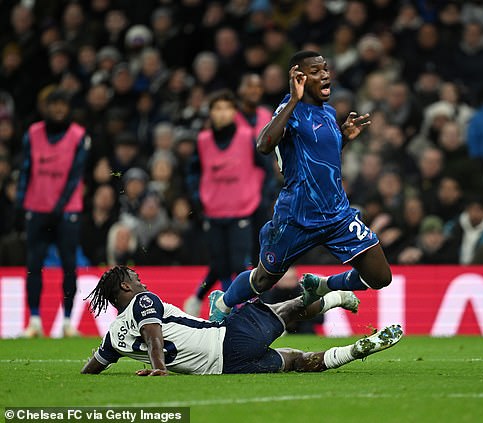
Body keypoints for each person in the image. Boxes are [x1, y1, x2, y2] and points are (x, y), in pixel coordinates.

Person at [208, 51, 392, 323]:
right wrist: (294, 99)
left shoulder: (328, 112)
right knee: (263, 279)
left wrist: (344, 138)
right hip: (297, 216)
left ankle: (322, 286)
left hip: (336, 213)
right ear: (299, 77)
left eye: (326, 69)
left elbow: (318, 156)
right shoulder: (288, 110)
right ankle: (222, 302)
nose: (325, 74)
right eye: (316, 71)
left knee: (379, 277)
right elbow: (263, 146)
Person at [80, 266, 402, 375]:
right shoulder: (143, 301)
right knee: (286, 310)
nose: (144, 284)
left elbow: (93, 366)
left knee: (297, 361)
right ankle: (334, 293)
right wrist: (159, 367)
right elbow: (153, 334)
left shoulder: (112, 336)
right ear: (125, 286)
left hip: (224, 368)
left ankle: (353, 351)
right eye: (137, 279)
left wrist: (85, 372)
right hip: (225, 338)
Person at [183, 89, 266, 317]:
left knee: (239, 264)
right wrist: (197, 199)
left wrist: (260, 197)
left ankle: (240, 309)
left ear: (234, 112)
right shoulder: (203, 141)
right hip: (213, 210)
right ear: (210, 113)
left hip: (242, 210)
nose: (222, 113)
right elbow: (192, 172)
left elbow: (265, 168)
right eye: (217, 108)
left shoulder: (247, 136)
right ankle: (231, 307)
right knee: (220, 264)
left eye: (226, 108)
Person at [16, 89, 90, 337]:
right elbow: (26, 170)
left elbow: (75, 176)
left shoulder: (78, 136)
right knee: (33, 264)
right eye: (54, 105)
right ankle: (35, 320)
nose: (58, 110)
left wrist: (57, 208)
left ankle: (68, 322)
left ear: (68, 108)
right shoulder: (33, 134)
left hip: (66, 211)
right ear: (45, 107)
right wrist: (20, 202)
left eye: (62, 105)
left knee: (69, 265)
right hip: (37, 208)